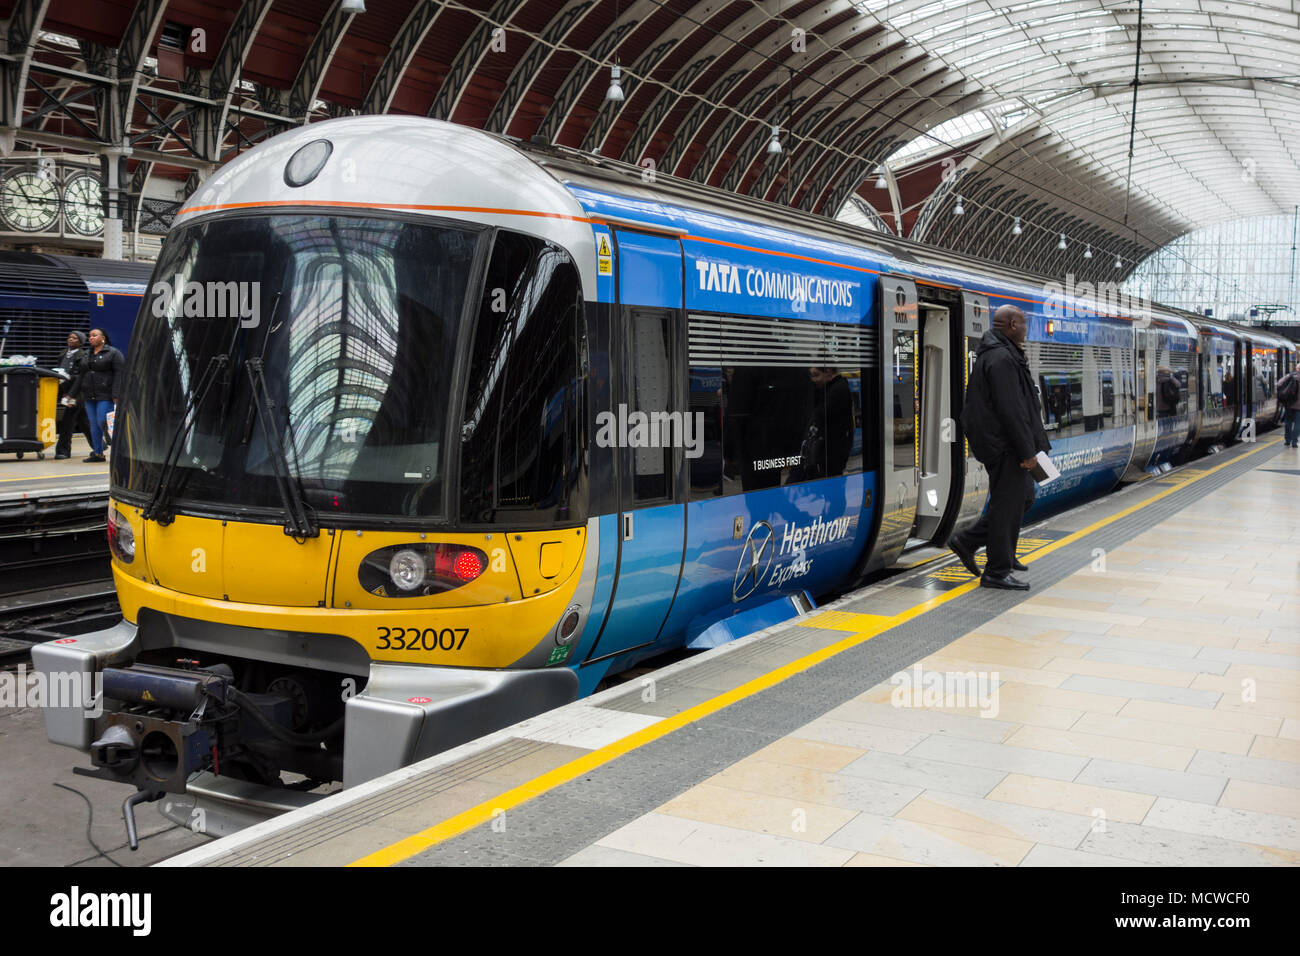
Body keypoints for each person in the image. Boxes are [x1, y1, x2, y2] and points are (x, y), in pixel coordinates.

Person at [948, 304, 1051, 590]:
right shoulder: (1001, 359)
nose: (1027, 328)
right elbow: (1011, 411)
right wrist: (1027, 452)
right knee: (1007, 506)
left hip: (1009, 446)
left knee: (1022, 499)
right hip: (1007, 448)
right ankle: (996, 571)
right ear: (1012, 325)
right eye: (1024, 323)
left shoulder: (1004, 355)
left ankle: (980, 545)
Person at [70, 327, 124, 463]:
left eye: (94, 335)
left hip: (105, 395)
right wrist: (71, 394)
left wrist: (116, 393)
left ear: (103, 338)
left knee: (102, 422)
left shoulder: (113, 353)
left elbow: (119, 374)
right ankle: (98, 453)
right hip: (89, 395)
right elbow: (81, 375)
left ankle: (120, 450)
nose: (91, 338)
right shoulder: (87, 354)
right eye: (90, 336)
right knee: (93, 425)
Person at [54, 331, 91, 459]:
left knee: (67, 422)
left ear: (80, 342)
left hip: (77, 394)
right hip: (66, 392)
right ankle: (99, 446)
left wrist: (70, 393)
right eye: (69, 337)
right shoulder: (63, 353)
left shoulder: (83, 356)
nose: (71, 339)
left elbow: (81, 377)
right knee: (84, 421)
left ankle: (63, 451)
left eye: (75, 338)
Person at [1278, 365, 1300, 447]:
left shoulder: (1290, 375)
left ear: (1296, 369)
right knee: (1298, 424)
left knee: (1288, 422)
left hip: (1289, 404)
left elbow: (1279, 383)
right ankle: (1294, 442)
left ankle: (1287, 440)